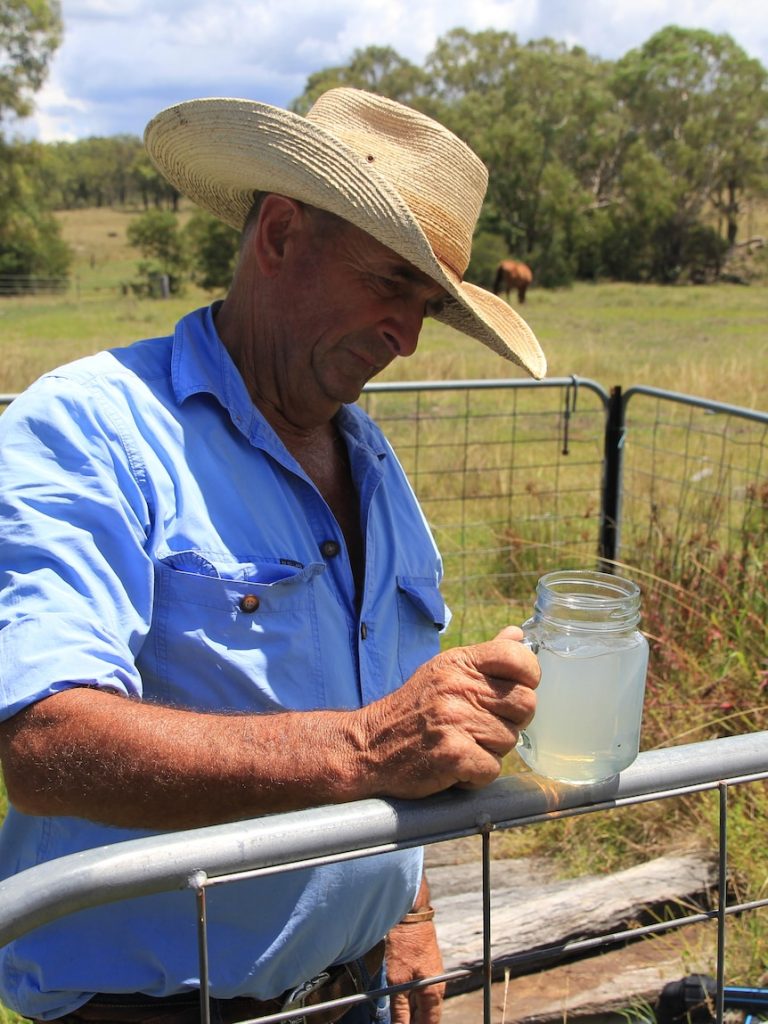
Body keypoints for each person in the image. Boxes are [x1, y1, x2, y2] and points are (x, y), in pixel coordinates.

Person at [0, 88, 547, 1024]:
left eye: (425, 305)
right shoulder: (90, 428)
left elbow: (389, 695)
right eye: (389, 284)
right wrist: (369, 746)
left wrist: (406, 913)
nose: (408, 338)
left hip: (353, 992)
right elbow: (46, 743)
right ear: (283, 233)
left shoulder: (371, 461)